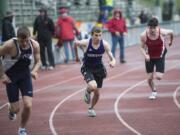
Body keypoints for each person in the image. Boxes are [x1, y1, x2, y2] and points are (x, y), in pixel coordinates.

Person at [0, 26, 41, 135]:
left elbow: (38, 61)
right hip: (11, 77)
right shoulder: (9, 45)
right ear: (17, 38)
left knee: (28, 105)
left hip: (25, 75)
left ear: (30, 37)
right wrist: (2, 75)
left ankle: (22, 128)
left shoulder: (35, 45)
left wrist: (35, 71)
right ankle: (11, 109)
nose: (24, 43)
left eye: (26, 40)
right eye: (21, 41)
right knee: (16, 109)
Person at [74, 26, 116, 117]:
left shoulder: (104, 44)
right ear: (92, 35)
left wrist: (113, 61)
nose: (98, 38)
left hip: (99, 69)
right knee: (93, 85)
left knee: (97, 94)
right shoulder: (86, 42)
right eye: (96, 35)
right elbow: (76, 43)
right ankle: (88, 91)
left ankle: (91, 108)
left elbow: (111, 55)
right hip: (87, 68)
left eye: (100, 35)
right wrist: (77, 57)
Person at [140, 17, 173, 100]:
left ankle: (156, 73)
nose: (152, 30)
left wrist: (171, 41)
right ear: (148, 27)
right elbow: (141, 47)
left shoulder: (162, 32)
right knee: (149, 79)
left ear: (157, 27)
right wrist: (145, 55)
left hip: (160, 56)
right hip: (149, 57)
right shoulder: (144, 35)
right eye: (150, 28)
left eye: (154, 28)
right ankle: (154, 91)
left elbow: (171, 32)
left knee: (159, 77)